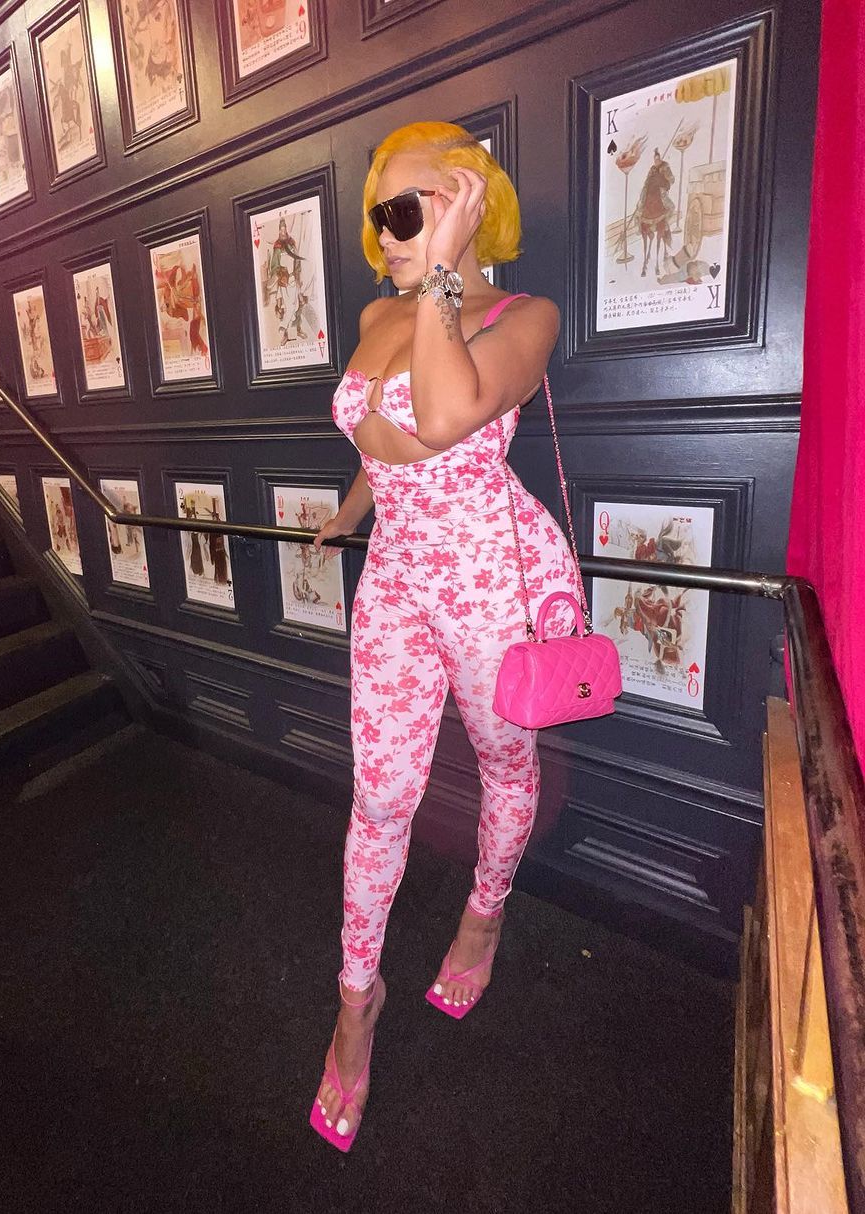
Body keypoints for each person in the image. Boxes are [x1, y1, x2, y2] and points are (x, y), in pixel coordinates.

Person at [309, 121, 581, 1151]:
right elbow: (380, 436)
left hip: (483, 574)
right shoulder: (382, 309)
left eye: (404, 208)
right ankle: (356, 999)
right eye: (376, 214)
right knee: (380, 794)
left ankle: (485, 908)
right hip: (395, 576)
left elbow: (445, 407)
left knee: (507, 758)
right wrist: (350, 510)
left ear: (466, 199)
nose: (384, 233)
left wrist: (443, 279)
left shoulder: (526, 316)